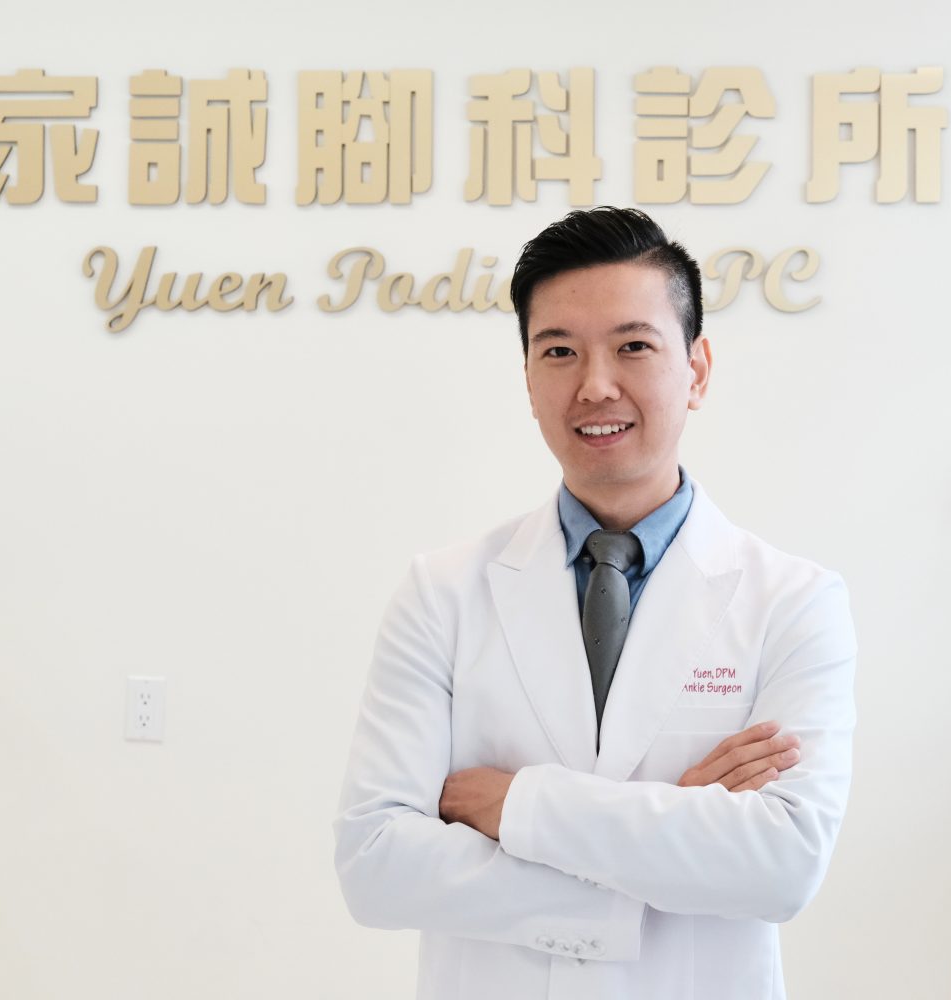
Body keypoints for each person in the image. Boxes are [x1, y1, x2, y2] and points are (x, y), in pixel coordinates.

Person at [333, 206, 857, 1000]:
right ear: (528, 379)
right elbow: (376, 866)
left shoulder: (794, 602)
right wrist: (670, 831)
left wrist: (518, 804)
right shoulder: (441, 593)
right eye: (559, 351)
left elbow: (782, 865)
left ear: (697, 369)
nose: (595, 385)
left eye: (633, 346)